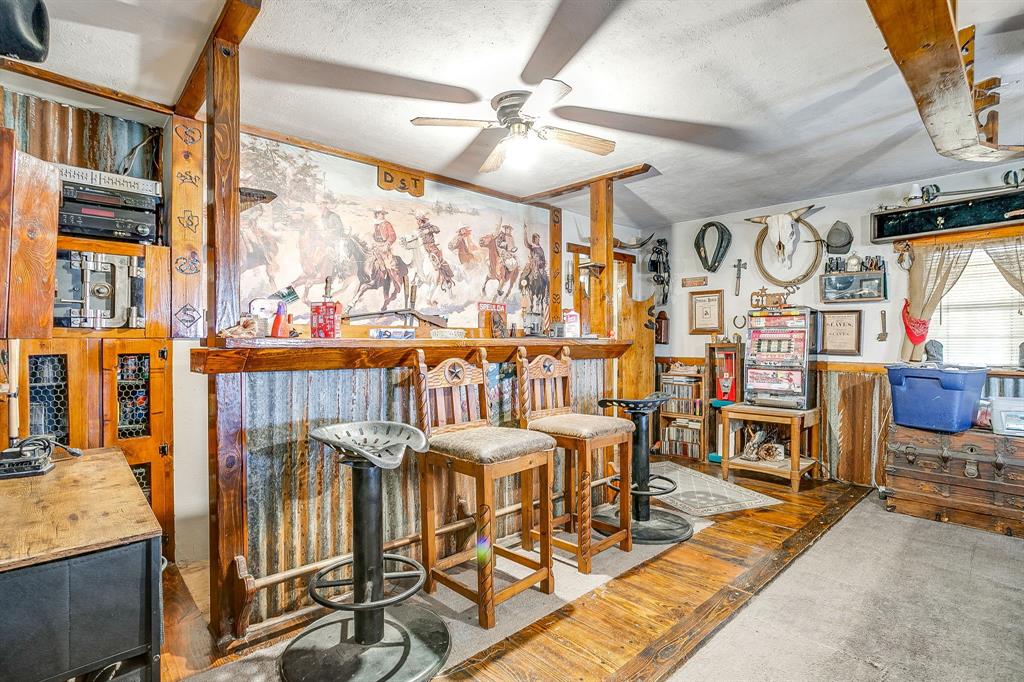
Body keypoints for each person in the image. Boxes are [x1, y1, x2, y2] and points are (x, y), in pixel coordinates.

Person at [415, 210, 454, 291]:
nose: (419, 222)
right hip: (423, 247)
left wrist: (429, 230)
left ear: (424, 220)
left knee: (439, 261)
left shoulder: (430, 227)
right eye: (418, 220)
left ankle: (447, 278)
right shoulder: (419, 229)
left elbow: (437, 229)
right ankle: (420, 277)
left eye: (421, 220)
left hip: (432, 247)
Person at [370, 206, 401, 289]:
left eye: (383, 213)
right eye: (381, 213)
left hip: (385, 247)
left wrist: (387, 245)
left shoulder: (387, 224)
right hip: (376, 246)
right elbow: (373, 235)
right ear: (377, 214)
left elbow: (393, 236)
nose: (383, 215)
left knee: (389, 265)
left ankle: (396, 283)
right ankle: (373, 278)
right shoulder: (375, 224)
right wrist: (373, 242)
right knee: (369, 261)